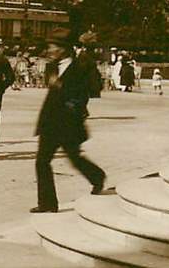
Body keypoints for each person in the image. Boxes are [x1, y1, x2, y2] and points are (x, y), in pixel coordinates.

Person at [32, 28, 106, 213]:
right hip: (51, 122)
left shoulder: (80, 67)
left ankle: (97, 177)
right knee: (43, 161)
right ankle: (48, 204)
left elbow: (84, 94)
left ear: (63, 49)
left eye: (53, 46)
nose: (49, 50)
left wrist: (62, 89)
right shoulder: (52, 67)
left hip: (68, 122)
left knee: (72, 157)